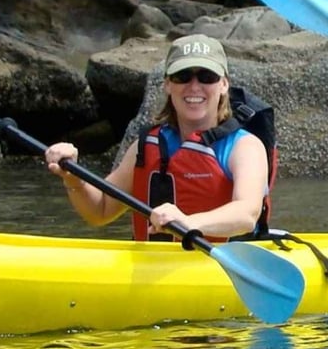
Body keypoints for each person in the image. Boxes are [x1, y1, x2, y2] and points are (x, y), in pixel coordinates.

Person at [43, 34, 269, 242]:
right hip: (152, 267)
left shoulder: (244, 146)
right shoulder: (146, 146)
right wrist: (73, 178)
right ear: (168, 85)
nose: (194, 87)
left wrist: (190, 223)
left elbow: (247, 213)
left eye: (206, 76)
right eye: (182, 76)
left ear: (223, 85)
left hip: (215, 270)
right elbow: (100, 211)